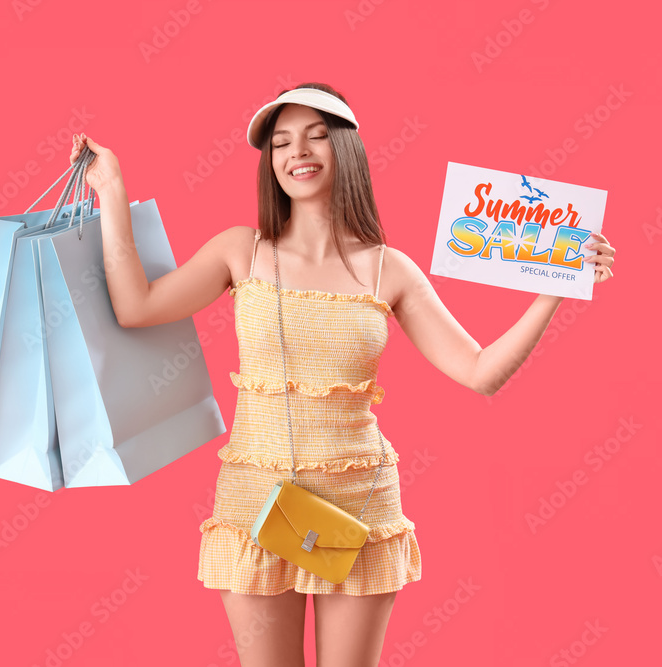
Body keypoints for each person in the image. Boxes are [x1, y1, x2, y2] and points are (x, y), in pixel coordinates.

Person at [69, 82, 616, 667]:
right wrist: (112, 190)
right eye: (280, 142)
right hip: (256, 500)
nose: (296, 153)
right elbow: (137, 306)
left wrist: (549, 291)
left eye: (315, 136)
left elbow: (480, 371)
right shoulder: (241, 250)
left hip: (360, 502)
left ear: (347, 148)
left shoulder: (389, 268)